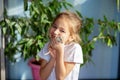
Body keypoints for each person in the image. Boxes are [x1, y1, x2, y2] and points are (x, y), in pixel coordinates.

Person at [38, 11, 83, 80]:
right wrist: (53, 58)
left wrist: (60, 51)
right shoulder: (47, 46)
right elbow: (42, 77)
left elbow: (60, 78)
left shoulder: (74, 49)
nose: (55, 32)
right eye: (54, 26)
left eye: (62, 31)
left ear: (71, 37)